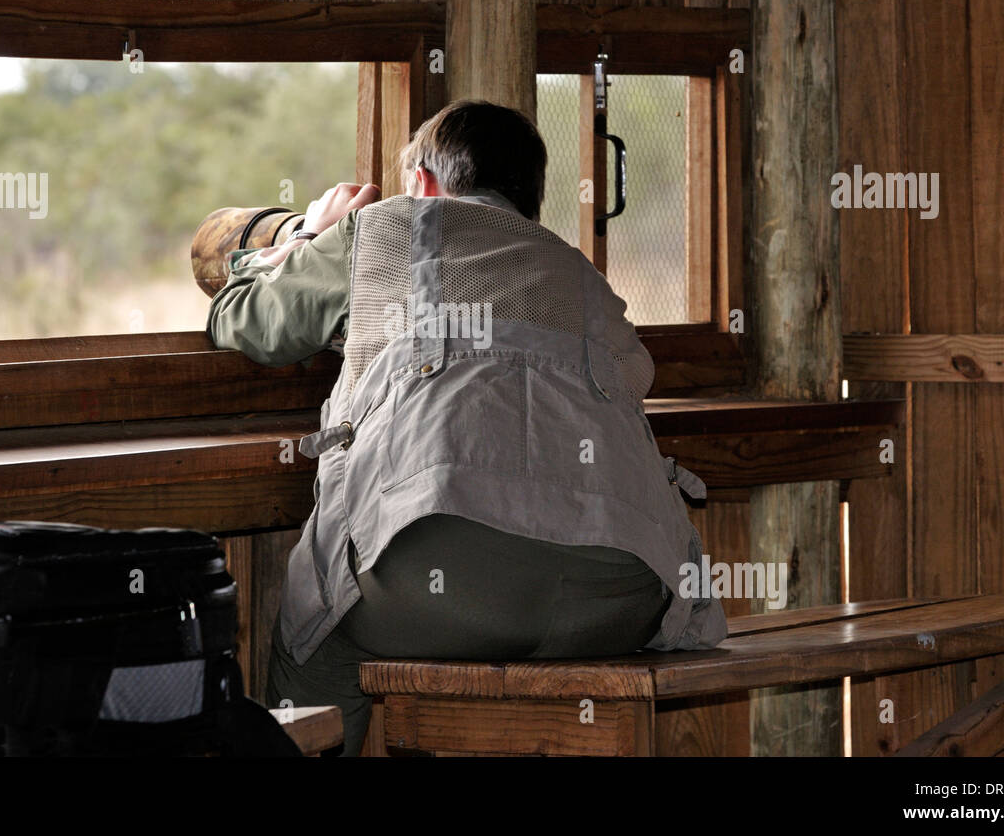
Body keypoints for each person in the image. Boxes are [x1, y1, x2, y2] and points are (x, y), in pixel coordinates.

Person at [207, 99, 725, 755]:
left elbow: (246, 319)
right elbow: (635, 374)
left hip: (441, 582)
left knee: (317, 635)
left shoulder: (387, 226)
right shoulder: (579, 271)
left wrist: (309, 236)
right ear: (531, 200)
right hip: (619, 595)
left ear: (422, 183)